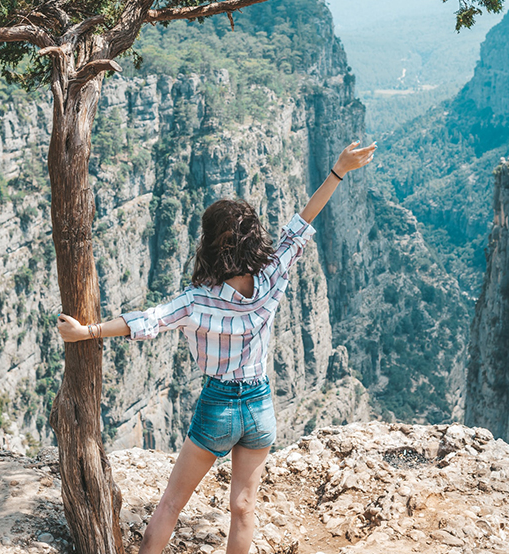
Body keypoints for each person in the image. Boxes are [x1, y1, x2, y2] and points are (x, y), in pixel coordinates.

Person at [56, 139, 377, 554]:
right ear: (253, 239)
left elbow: (145, 322)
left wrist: (87, 332)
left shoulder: (195, 301)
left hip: (218, 407)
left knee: (171, 504)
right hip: (260, 406)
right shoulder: (271, 278)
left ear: (210, 243)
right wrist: (337, 170)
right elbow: (301, 223)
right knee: (243, 507)